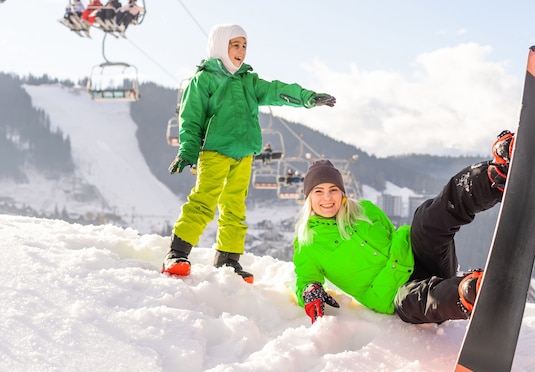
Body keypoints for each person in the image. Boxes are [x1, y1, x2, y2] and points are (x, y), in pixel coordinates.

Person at [162, 23, 336, 284]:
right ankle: (177, 253)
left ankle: (228, 259)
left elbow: (277, 90)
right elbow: (191, 119)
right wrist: (187, 150)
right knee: (204, 201)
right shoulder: (204, 80)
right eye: (235, 45)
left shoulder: (249, 81)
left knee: (234, 207)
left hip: (243, 155)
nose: (241, 51)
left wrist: (307, 98)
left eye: (244, 45)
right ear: (221, 46)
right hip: (214, 152)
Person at [292, 130, 514, 324]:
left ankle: (492, 177)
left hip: (417, 257)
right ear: (308, 198)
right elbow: (305, 279)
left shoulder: (365, 210)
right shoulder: (307, 242)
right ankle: (471, 292)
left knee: (424, 219)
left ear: (342, 192)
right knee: (414, 302)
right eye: (318, 192)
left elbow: (392, 234)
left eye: (333, 189)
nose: (327, 198)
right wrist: (310, 290)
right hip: (394, 292)